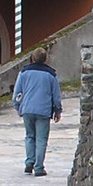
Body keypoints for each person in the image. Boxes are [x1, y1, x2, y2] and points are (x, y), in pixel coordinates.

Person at [12, 47, 62, 176]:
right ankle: (39, 167)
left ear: (32, 58)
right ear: (45, 59)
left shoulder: (24, 72)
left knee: (29, 136)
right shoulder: (51, 74)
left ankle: (29, 162)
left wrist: (18, 106)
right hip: (43, 110)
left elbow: (18, 92)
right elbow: (56, 95)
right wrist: (57, 110)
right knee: (41, 139)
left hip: (27, 109)